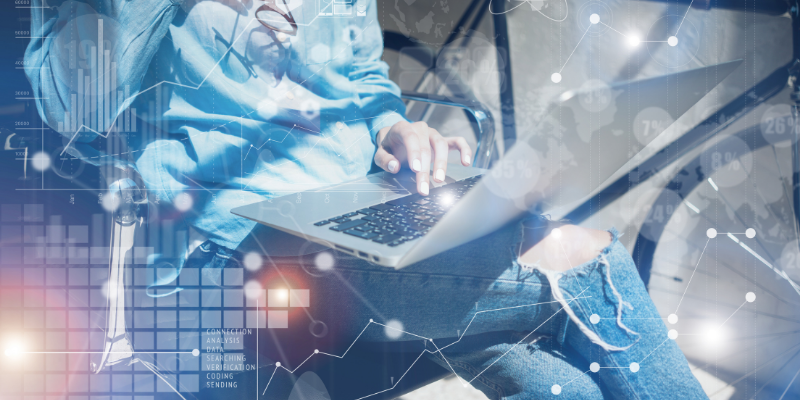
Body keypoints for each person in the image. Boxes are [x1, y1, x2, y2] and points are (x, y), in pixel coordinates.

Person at [25, 0, 707, 398]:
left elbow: (360, 74)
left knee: (571, 388)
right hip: (235, 248)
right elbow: (73, 109)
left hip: (365, 212)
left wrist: (397, 128)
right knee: (580, 258)